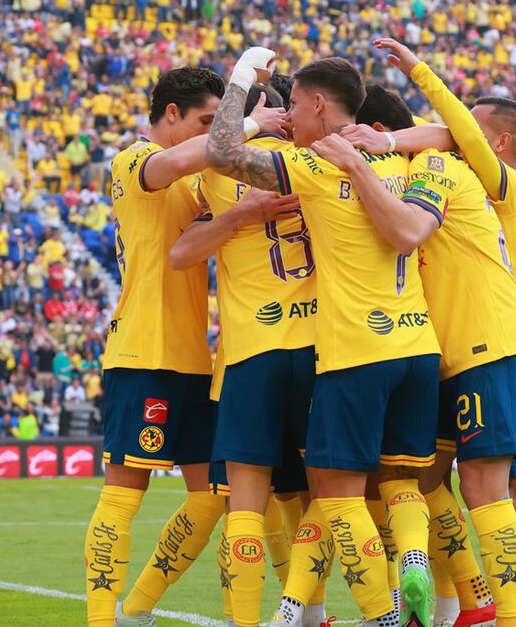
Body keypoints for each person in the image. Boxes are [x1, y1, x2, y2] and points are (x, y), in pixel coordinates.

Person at [344, 38, 516, 627]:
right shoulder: (474, 180)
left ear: (497, 143)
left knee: (487, 490)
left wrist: (419, 76)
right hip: (486, 347)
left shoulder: (511, 185)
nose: (447, 133)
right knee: (457, 485)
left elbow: (455, 136)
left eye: (467, 129)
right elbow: (447, 136)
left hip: (492, 344)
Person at [206, 49, 440, 627]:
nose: (292, 120)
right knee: (400, 481)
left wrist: (241, 85)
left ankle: (378, 612)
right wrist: (387, 144)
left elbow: (221, 152)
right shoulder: (410, 159)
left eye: (295, 108)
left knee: (336, 494)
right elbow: (454, 134)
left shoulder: (311, 166)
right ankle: (411, 562)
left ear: (315, 104)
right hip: (418, 343)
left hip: (348, 350)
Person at [86, 66, 285, 627]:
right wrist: (245, 121)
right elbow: (176, 161)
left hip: (197, 358)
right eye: (206, 120)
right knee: (126, 489)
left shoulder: (198, 181)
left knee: (211, 496)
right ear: (171, 115)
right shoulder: (133, 160)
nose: (215, 132)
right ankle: (100, 620)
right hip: (144, 350)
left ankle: (138, 606)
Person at [170, 82, 325, 627]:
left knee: (246, 505)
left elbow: (181, 254)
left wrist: (234, 216)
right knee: (321, 498)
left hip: (251, 353)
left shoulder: (218, 170)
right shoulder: (315, 159)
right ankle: (312, 613)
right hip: (320, 349)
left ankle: (248, 622)